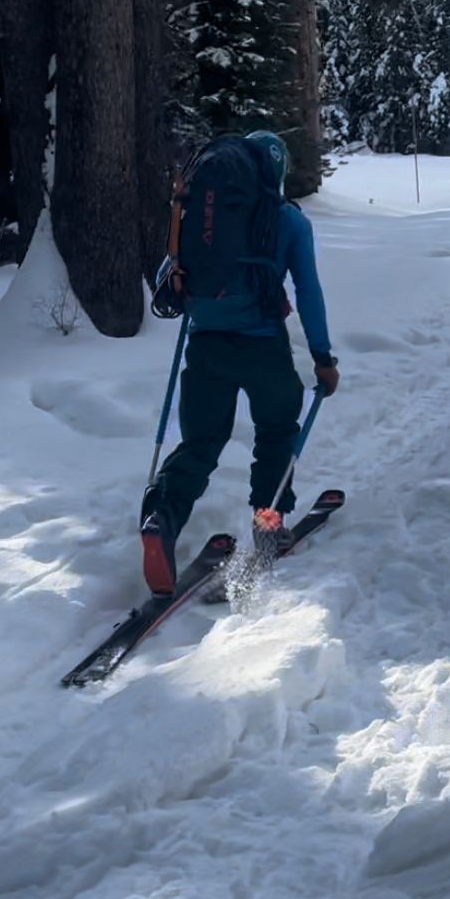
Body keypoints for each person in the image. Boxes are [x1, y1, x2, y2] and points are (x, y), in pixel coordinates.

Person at [140, 130, 339, 594]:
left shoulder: (198, 214)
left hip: (206, 343)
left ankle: (160, 519)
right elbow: (308, 292)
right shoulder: (289, 220)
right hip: (263, 346)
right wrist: (323, 357)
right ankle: (268, 525)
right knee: (275, 429)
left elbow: (167, 274)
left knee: (201, 442)